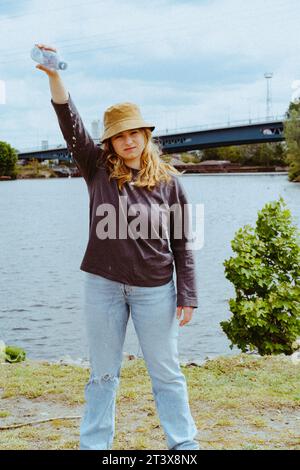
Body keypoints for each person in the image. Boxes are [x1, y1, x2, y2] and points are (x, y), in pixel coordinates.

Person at [35, 43, 199, 450]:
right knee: (103, 374)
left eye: (134, 133)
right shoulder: (95, 169)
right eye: (119, 136)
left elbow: (183, 243)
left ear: (146, 135)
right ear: (109, 142)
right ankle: (95, 447)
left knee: (166, 372)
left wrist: (188, 293)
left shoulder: (170, 182)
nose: (128, 141)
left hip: (155, 290)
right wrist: (56, 76)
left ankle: (184, 446)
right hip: (103, 287)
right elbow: (69, 121)